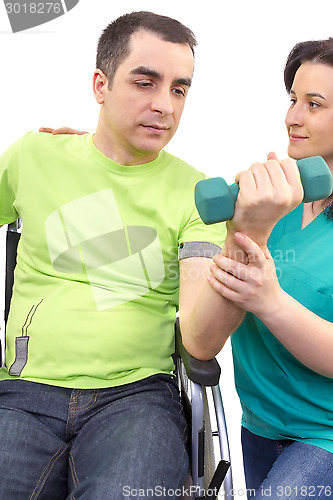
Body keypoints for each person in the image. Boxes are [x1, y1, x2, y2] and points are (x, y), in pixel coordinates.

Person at [207, 38, 333, 498]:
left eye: (313, 104)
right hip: (259, 422)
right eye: (293, 99)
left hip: (326, 435)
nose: (292, 117)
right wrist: (97, 151)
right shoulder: (271, 199)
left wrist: (270, 301)